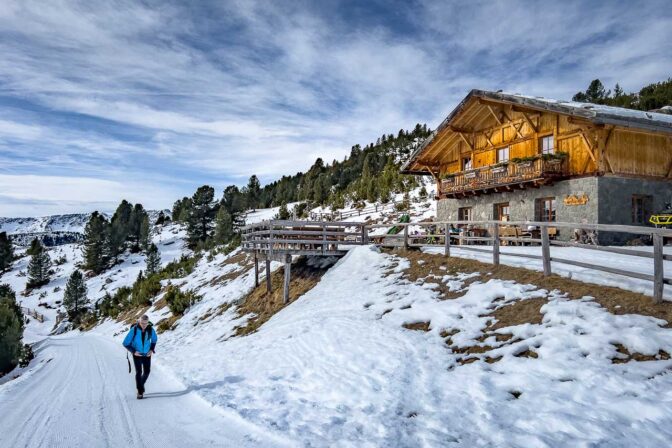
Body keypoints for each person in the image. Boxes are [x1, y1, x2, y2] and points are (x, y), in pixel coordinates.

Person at [122, 315, 157, 399]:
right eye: (142, 323)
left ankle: (140, 385)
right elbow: (125, 343)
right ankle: (140, 392)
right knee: (139, 372)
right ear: (139, 322)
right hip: (137, 354)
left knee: (147, 372)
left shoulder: (150, 329)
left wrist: (151, 350)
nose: (144, 325)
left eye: (145, 323)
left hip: (147, 354)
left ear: (148, 322)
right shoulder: (134, 330)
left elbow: (154, 340)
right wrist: (134, 352)